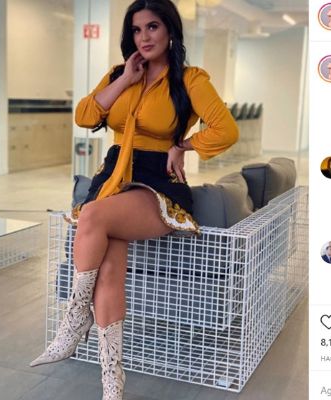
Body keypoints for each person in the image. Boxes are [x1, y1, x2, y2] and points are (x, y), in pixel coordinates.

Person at [28, 1, 238, 399]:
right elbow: (85, 116)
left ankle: (74, 320)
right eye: (137, 29)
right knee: (108, 270)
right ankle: (113, 383)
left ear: (170, 30)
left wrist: (183, 146)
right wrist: (126, 78)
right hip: (114, 176)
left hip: (157, 180)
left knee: (93, 216)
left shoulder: (190, 79)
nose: (144, 37)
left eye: (153, 27)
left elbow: (225, 130)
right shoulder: (118, 74)